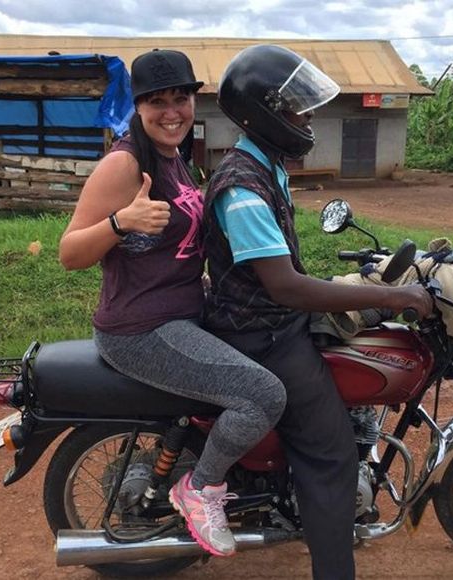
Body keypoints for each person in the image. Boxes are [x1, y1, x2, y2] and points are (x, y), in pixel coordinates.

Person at [202, 44, 433, 580]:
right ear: (262, 113)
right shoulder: (243, 188)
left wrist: (365, 281)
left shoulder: (265, 167)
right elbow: (286, 287)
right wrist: (389, 297)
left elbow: (279, 269)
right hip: (263, 336)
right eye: (295, 108)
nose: (306, 119)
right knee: (332, 456)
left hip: (269, 324)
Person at [58, 48, 287, 558]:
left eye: (180, 98)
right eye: (156, 101)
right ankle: (200, 489)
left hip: (183, 314)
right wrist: (121, 223)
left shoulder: (176, 158)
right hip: (141, 329)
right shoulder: (124, 164)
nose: (171, 111)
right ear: (137, 107)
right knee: (262, 396)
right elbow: (69, 253)